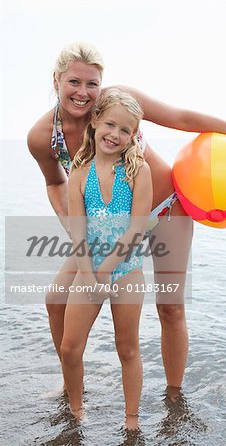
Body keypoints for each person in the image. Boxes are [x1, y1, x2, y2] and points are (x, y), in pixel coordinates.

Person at [27, 43, 226, 399]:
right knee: (56, 299)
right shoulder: (42, 137)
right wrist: (75, 230)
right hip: (109, 229)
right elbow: (55, 182)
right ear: (56, 80)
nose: (83, 93)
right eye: (73, 82)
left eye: (91, 84)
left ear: (101, 84)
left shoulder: (119, 102)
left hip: (166, 210)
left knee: (170, 307)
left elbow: (180, 117)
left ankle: (175, 397)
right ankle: (71, 386)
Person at [61, 88, 152, 428]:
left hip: (125, 270)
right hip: (89, 270)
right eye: (110, 124)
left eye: (125, 130)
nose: (116, 134)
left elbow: (136, 231)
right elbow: (78, 232)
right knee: (71, 348)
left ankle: (131, 420)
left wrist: (105, 272)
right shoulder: (79, 173)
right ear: (96, 121)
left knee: (126, 348)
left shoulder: (138, 172)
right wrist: (88, 275)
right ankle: (75, 410)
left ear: (133, 136)